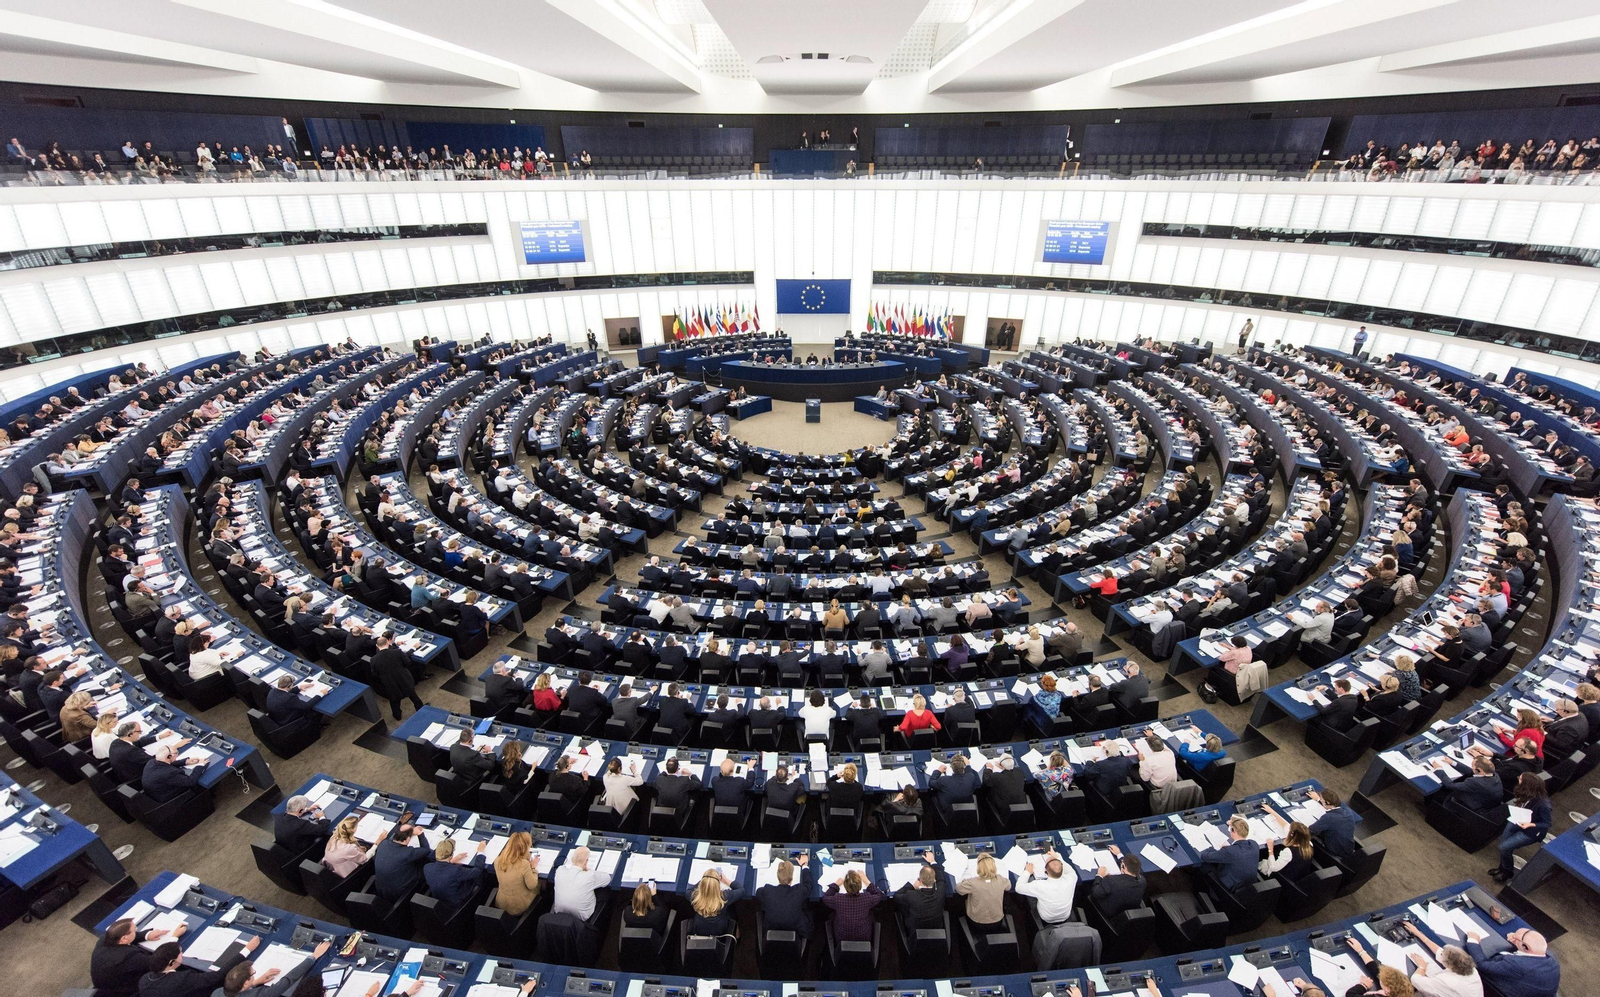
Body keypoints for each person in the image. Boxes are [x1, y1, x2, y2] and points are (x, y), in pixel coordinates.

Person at [93, 917, 187, 997]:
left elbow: (128, 936)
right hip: (128, 991)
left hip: (105, 986)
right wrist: (174, 937)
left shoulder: (105, 939)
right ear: (124, 938)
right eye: (134, 930)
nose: (136, 931)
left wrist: (147, 935)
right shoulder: (131, 958)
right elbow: (161, 961)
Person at [138, 938, 257, 997]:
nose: (182, 955)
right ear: (172, 962)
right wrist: (246, 950)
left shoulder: (144, 980)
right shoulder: (183, 979)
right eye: (180, 953)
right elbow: (217, 976)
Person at [1464, 926, 1559, 997]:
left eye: (1516, 938)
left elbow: (1482, 965)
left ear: (1525, 947)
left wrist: (1473, 941)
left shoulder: (1516, 964)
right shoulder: (1552, 961)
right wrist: (1518, 941)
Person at [1492, 772, 1551, 883]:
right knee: (1504, 846)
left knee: (1504, 847)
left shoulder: (1543, 804)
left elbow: (1547, 823)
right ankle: (1501, 869)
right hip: (1517, 820)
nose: (1518, 779)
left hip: (1530, 832)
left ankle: (1507, 871)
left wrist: (1530, 824)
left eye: (1520, 779)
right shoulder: (1527, 793)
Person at [1399, 924, 1484, 997]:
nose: (1441, 953)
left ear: (1449, 965)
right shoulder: (1471, 969)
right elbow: (1440, 953)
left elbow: (1416, 981)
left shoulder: (1446, 981)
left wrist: (1422, 967)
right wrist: (1418, 934)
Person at [423, 837, 490, 910]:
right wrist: (480, 851)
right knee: (482, 875)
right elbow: (478, 871)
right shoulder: (456, 870)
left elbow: (442, 871)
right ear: (451, 855)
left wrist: (451, 862)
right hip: (458, 903)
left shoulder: (427, 867)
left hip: (441, 901)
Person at [373, 823, 434, 903]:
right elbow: (426, 849)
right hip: (400, 892)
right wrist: (420, 834)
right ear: (408, 838)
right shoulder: (407, 853)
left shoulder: (383, 844)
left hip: (381, 889)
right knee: (426, 863)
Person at [1197, 816, 1258, 895]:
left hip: (1229, 889)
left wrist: (1219, 850)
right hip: (1246, 887)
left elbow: (1205, 857)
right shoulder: (1254, 844)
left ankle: (1201, 891)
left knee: (1204, 866)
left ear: (1233, 831)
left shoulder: (1229, 851)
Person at [756, 855, 813, 937]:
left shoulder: (767, 890)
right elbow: (809, 885)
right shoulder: (799, 891)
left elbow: (758, 892)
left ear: (777, 876)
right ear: (792, 878)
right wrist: (804, 865)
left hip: (771, 929)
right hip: (796, 929)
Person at [821, 868, 883, 942]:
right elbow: (879, 895)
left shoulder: (838, 899)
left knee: (832, 915)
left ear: (845, 886)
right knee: (872, 914)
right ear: (860, 885)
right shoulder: (866, 898)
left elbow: (825, 898)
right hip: (863, 936)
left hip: (842, 937)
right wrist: (866, 880)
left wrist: (836, 884)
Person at [1016, 850, 1076, 924]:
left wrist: (1027, 872)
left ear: (1046, 872)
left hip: (1047, 918)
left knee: (1029, 895)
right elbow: (1070, 870)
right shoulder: (1071, 878)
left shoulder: (1040, 885)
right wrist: (1057, 857)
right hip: (1065, 916)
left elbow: (1018, 888)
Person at [892, 850, 948, 928]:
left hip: (915, 932)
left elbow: (896, 896)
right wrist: (932, 861)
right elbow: (941, 879)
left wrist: (912, 886)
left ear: (920, 880)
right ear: (934, 880)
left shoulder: (911, 895)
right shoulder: (940, 891)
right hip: (936, 927)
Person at [493, 831, 543, 916]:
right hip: (519, 906)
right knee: (541, 882)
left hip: (501, 903)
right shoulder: (524, 864)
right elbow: (532, 885)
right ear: (524, 848)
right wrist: (533, 867)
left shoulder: (498, 860)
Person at [551, 846, 606, 921]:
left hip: (558, 915)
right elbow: (607, 879)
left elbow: (562, 867)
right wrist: (588, 869)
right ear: (586, 862)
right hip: (582, 920)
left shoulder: (560, 871)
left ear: (572, 859)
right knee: (604, 892)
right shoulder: (590, 875)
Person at [956, 852, 1009, 927]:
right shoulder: (1001, 880)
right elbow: (1008, 887)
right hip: (997, 921)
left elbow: (959, 889)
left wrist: (965, 880)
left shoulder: (972, 883)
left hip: (977, 923)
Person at [1089, 850, 1146, 919]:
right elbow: (1129, 867)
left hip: (1108, 913)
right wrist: (1119, 854)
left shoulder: (1111, 880)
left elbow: (1095, 893)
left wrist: (1099, 875)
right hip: (1126, 911)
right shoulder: (1142, 880)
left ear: (1123, 866)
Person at [687, 869, 743, 936]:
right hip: (720, 929)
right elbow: (741, 890)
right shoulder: (724, 897)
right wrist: (725, 880)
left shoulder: (694, 897)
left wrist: (706, 881)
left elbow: (688, 890)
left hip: (699, 928)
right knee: (732, 907)